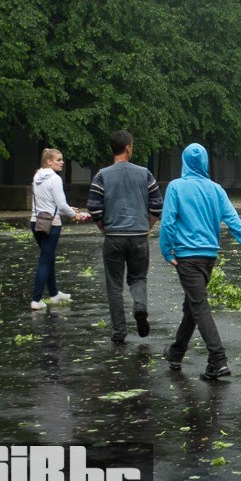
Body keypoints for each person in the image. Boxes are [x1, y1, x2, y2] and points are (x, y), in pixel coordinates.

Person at [159, 143, 241, 380]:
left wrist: (167, 251)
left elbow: (168, 222)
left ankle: (218, 359)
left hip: (187, 256)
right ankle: (176, 353)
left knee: (198, 306)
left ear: (184, 162)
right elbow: (234, 222)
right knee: (192, 305)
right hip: (209, 257)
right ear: (205, 162)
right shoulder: (216, 190)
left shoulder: (176, 187)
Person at [86, 130, 163, 343]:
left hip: (113, 237)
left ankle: (119, 332)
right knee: (138, 278)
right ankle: (140, 306)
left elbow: (93, 207)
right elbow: (157, 204)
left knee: (114, 286)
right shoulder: (145, 174)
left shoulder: (101, 176)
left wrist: (103, 228)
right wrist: (148, 226)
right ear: (128, 147)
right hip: (138, 236)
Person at [30, 148, 82, 310]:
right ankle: (36, 300)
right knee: (45, 259)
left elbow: (49, 202)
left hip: (36, 221)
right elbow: (61, 204)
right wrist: (75, 214)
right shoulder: (55, 179)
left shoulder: (37, 176)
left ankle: (53, 294)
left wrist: (68, 209)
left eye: (61, 159)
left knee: (49, 257)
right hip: (51, 224)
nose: (62, 162)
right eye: (58, 160)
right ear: (48, 162)